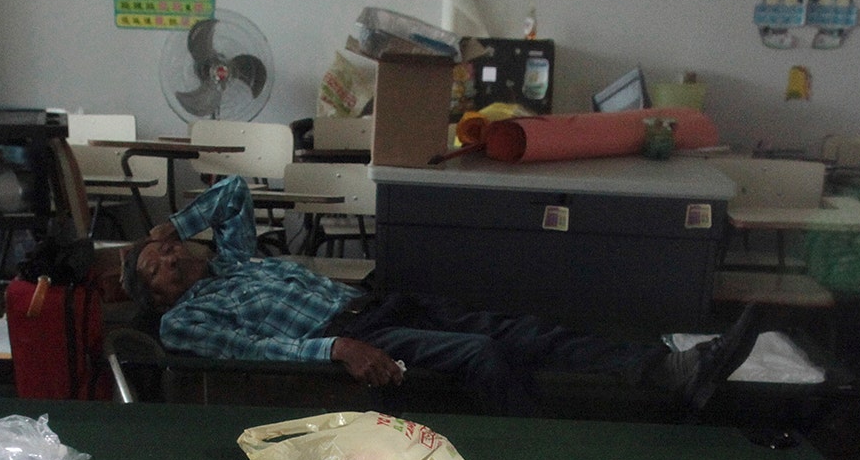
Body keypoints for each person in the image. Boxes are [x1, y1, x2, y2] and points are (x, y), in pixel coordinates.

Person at [119, 174, 747, 416]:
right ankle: (541, 451)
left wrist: (170, 224)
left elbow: (231, 190)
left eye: (167, 250)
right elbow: (256, 351)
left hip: (378, 303)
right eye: (156, 267)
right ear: (155, 298)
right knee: (482, 354)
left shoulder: (229, 262)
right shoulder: (186, 322)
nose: (170, 258)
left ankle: (665, 369)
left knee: (526, 330)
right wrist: (337, 348)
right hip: (355, 334)